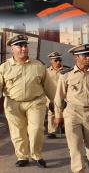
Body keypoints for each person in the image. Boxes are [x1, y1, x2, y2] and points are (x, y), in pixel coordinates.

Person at [53, 44, 89, 172]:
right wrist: (58, 115)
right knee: (74, 146)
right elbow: (59, 96)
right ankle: (79, 170)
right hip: (72, 113)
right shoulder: (66, 74)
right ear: (76, 57)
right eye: (85, 55)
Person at [0, 35, 53, 168]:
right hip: (13, 103)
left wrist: (57, 102)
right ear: (12, 48)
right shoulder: (4, 68)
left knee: (36, 130)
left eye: (25, 46)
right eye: (20, 46)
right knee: (17, 132)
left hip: (35, 102)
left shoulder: (38, 65)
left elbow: (49, 86)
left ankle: (36, 155)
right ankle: (22, 156)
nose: (24, 49)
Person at [45, 51, 65, 139]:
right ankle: (52, 131)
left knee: (65, 112)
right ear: (51, 61)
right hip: (51, 96)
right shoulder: (46, 72)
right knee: (51, 112)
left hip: (64, 96)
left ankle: (64, 126)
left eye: (59, 60)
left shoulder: (66, 71)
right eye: (56, 60)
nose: (58, 62)